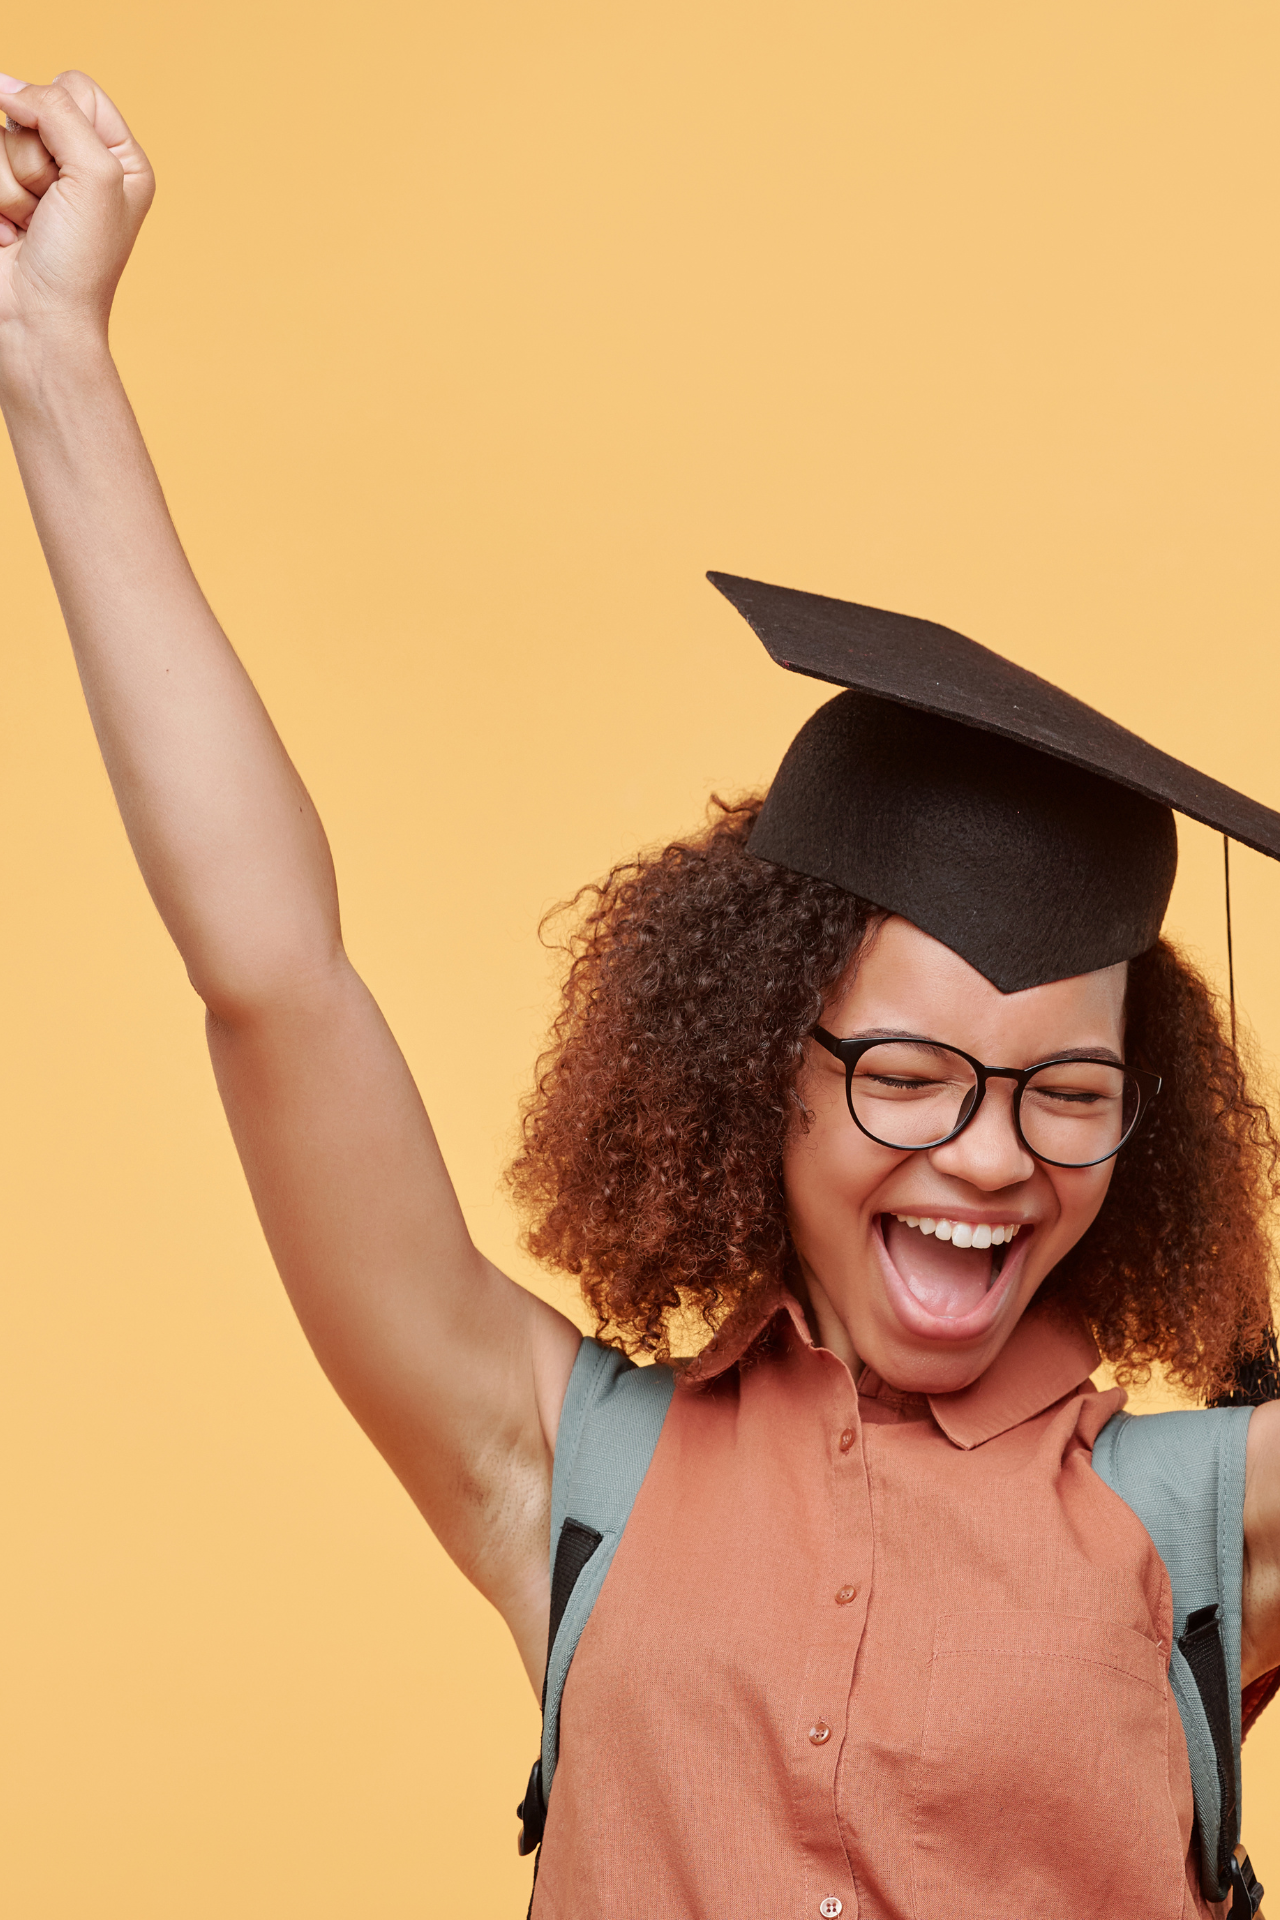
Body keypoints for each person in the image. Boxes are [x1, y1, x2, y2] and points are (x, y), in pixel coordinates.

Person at [0, 70, 1276, 1920]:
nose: (993, 1157)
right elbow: (273, 980)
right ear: (766, 1065)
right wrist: (52, 361)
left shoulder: (1207, 1525)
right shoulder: (577, 1470)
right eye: (911, 1074)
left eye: (1066, 1091)